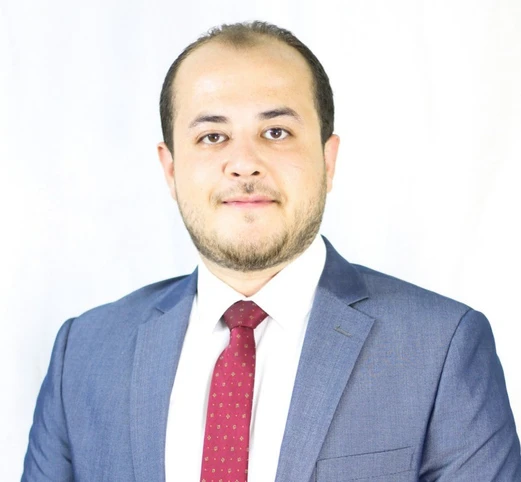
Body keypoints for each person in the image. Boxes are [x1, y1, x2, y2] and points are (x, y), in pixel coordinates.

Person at [23, 21, 520, 482]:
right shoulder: (84, 353)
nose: (244, 163)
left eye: (276, 132)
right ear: (170, 170)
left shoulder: (442, 348)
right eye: (212, 136)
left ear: (328, 160)